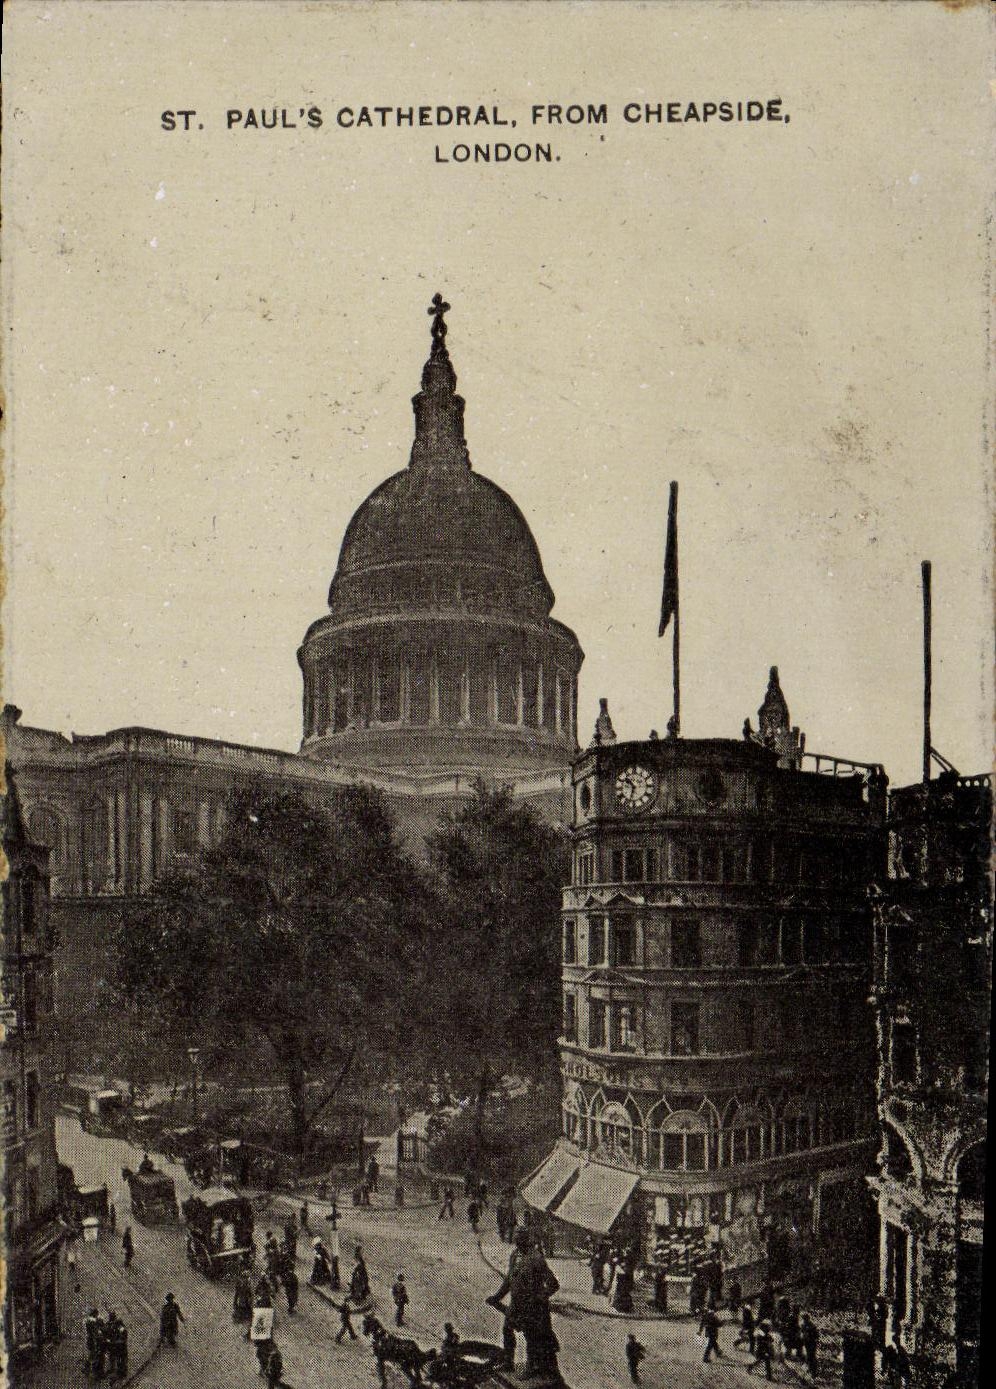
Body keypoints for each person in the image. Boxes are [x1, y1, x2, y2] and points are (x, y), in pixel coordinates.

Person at [486, 1226, 561, 1381]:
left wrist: (539, 1297)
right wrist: (497, 1297)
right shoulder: (514, 1255)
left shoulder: (536, 1259)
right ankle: (508, 1362)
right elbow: (509, 1279)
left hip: (532, 1307)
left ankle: (532, 1367)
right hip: (516, 1304)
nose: (517, 1241)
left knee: (531, 1338)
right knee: (507, 1330)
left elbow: (553, 1284)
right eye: (516, 1238)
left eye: (520, 1238)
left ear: (527, 1240)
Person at [106, 1313, 128, 1380]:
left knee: (121, 1361)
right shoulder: (118, 1328)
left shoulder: (122, 1330)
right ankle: (119, 1372)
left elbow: (122, 1340)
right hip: (119, 1348)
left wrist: (114, 1342)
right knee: (119, 1360)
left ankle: (122, 1374)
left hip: (121, 1348)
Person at [800, 1313, 819, 1378]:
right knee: (809, 1356)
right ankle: (811, 1370)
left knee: (811, 1357)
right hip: (807, 1343)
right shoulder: (803, 1325)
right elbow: (802, 1333)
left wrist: (810, 1337)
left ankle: (813, 1372)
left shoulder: (812, 1326)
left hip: (812, 1343)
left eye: (805, 1319)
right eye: (803, 1319)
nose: (804, 1320)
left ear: (807, 1319)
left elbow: (816, 1335)